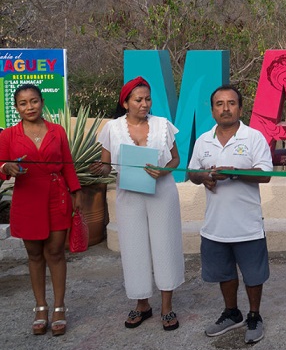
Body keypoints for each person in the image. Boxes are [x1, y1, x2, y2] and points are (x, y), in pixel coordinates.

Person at [90, 77, 185, 331]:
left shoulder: (163, 125)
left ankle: (167, 306)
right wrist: (101, 169)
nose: (145, 104)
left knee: (165, 245)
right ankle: (142, 303)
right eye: (138, 100)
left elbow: (175, 159)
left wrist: (164, 171)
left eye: (148, 99)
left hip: (162, 192)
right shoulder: (112, 128)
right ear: (125, 103)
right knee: (134, 247)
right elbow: (109, 165)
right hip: (129, 195)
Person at [188, 86, 273, 343]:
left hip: (247, 224)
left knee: (253, 274)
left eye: (231, 103)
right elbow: (191, 172)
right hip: (215, 225)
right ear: (212, 109)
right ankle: (232, 313)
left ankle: (254, 315)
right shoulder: (203, 140)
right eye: (219, 104)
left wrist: (234, 172)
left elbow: (266, 174)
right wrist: (202, 177)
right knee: (224, 273)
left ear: (240, 107)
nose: (225, 108)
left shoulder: (254, 137)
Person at [0, 84, 81, 336]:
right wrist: (6, 168)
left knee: (55, 252)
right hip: (27, 198)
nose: (29, 107)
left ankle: (59, 306)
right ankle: (40, 307)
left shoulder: (57, 131)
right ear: (16, 108)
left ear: (42, 102)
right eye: (23, 103)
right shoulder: (7, 136)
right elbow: (0, 167)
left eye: (33, 101)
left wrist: (76, 192)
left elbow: (67, 163)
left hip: (57, 196)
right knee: (34, 255)